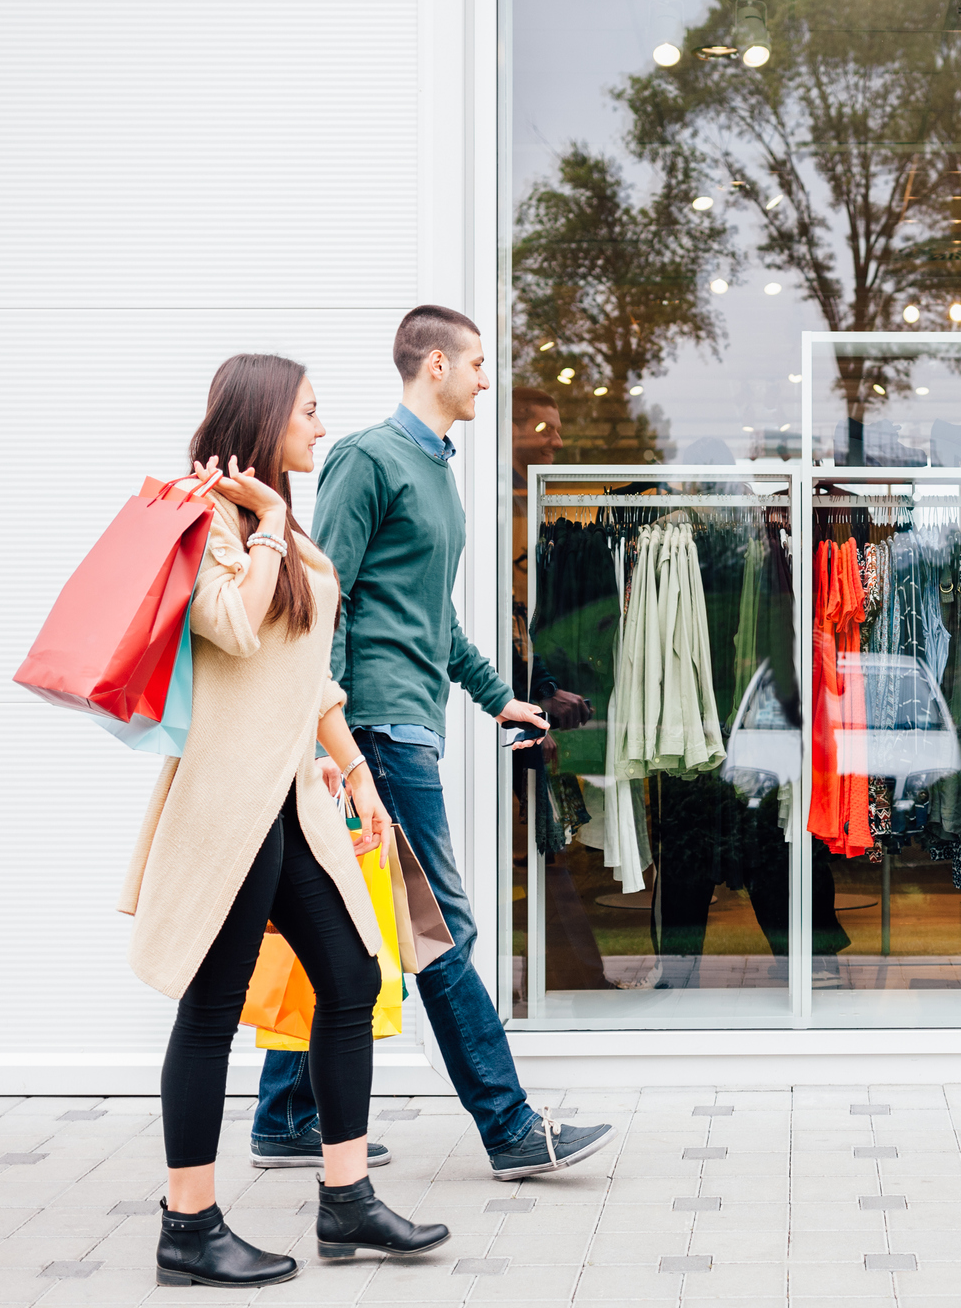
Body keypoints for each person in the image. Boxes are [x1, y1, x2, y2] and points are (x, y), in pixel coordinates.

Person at [250, 306, 615, 1178]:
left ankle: (284, 1114)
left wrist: (499, 698)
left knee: (351, 925)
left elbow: (432, 616)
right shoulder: (367, 457)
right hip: (371, 730)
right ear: (438, 365)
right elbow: (320, 600)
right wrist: (325, 740)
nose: (489, 380)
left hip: (407, 723)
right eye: (481, 364)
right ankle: (509, 1123)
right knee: (438, 927)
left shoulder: (437, 472)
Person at [123, 355, 448, 1289]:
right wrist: (266, 523)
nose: (320, 422)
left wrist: (355, 772)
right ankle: (188, 1226)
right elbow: (229, 622)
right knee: (213, 1008)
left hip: (294, 798)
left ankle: (346, 1204)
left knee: (350, 974)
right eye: (308, 409)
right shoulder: (206, 514)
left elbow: (303, 673)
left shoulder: (275, 520)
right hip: (232, 798)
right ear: (265, 417)